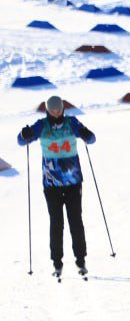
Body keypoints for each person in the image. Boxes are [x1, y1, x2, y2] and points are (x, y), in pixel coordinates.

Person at [16, 95, 97, 279]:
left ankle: (80, 259)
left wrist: (86, 134)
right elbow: (21, 142)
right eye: (52, 110)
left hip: (73, 181)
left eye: (58, 109)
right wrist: (24, 134)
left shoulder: (72, 123)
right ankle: (57, 261)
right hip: (51, 183)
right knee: (56, 222)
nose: (56, 113)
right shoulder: (41, 125)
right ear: (47, 110)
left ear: (62, 108)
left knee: (76, 220)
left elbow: (91, 140)